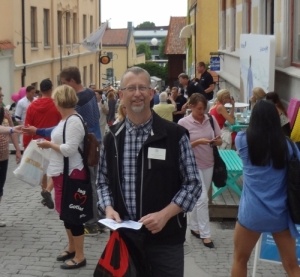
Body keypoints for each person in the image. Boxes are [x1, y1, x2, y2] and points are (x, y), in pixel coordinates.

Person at [97, 66, 202, 277]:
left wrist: (165, 215)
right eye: (131, 88)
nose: (137, 93)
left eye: (142, 88)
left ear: (151, 93)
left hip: (165, 240)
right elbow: (102, 182)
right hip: (124, 240)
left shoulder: (174, 135)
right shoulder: (112, 139)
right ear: (121, 95)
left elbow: (193, 184)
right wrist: (108, 208)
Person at [231, 100, 300, 277]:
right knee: (292, 265)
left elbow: (242, 133)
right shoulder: (289, 147)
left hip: (251, 213)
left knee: (240, 259)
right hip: (280, 214)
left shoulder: (242, 141)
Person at [36, 85, 88, 270]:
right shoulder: (65, 119)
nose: (53, 102)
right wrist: (38, 132)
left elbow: (69, 149)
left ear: (61, 100)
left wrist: (49, 145)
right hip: (62, 174)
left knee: (74, 216)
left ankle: (80, 256)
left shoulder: (74, 120)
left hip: (72, 173)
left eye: (55, 99)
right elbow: (56, 134)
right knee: (66, 214)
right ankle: (72, 247)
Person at [60, 66, 101, 235]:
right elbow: (98, 117)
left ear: (71, 81)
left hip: (87, 146)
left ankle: (92, 222)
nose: (64, 86)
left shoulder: (77, 100)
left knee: (89, 183)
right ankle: (99, 217)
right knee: (96, 182)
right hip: (97, 141)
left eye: (64, 83)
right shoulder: (91, 93)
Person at [178, 93, 222, 248]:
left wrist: (216, 142)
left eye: (203, 109)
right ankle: (206, 234)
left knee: (198, 198)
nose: (201, 112)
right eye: (198, 109)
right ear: (190, 106)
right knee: (203, 199)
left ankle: (195, 227)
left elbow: (220, 139)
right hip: (192, 165)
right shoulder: (183, 123)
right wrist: (198, 142)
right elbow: (180, 148)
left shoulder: (210, 119)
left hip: (209, 163)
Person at [24, 79, 61, 209]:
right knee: (57, 169)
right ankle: (47, 191)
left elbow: (27, 127)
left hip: (37, 143)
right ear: (51, 89)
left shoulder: (32, 106)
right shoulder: (56, 105)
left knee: (43, 170)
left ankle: (45, 190)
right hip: (53, 142)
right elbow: (61, 124)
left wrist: (25, 145)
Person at [0, 88, 22, 227]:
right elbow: (10, 130)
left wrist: (18, 150)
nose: (2, 97)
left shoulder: (5, 112)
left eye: (2, 95)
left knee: (0, 187)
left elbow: (13, 131)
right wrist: (11, 129)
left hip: (3, 155)